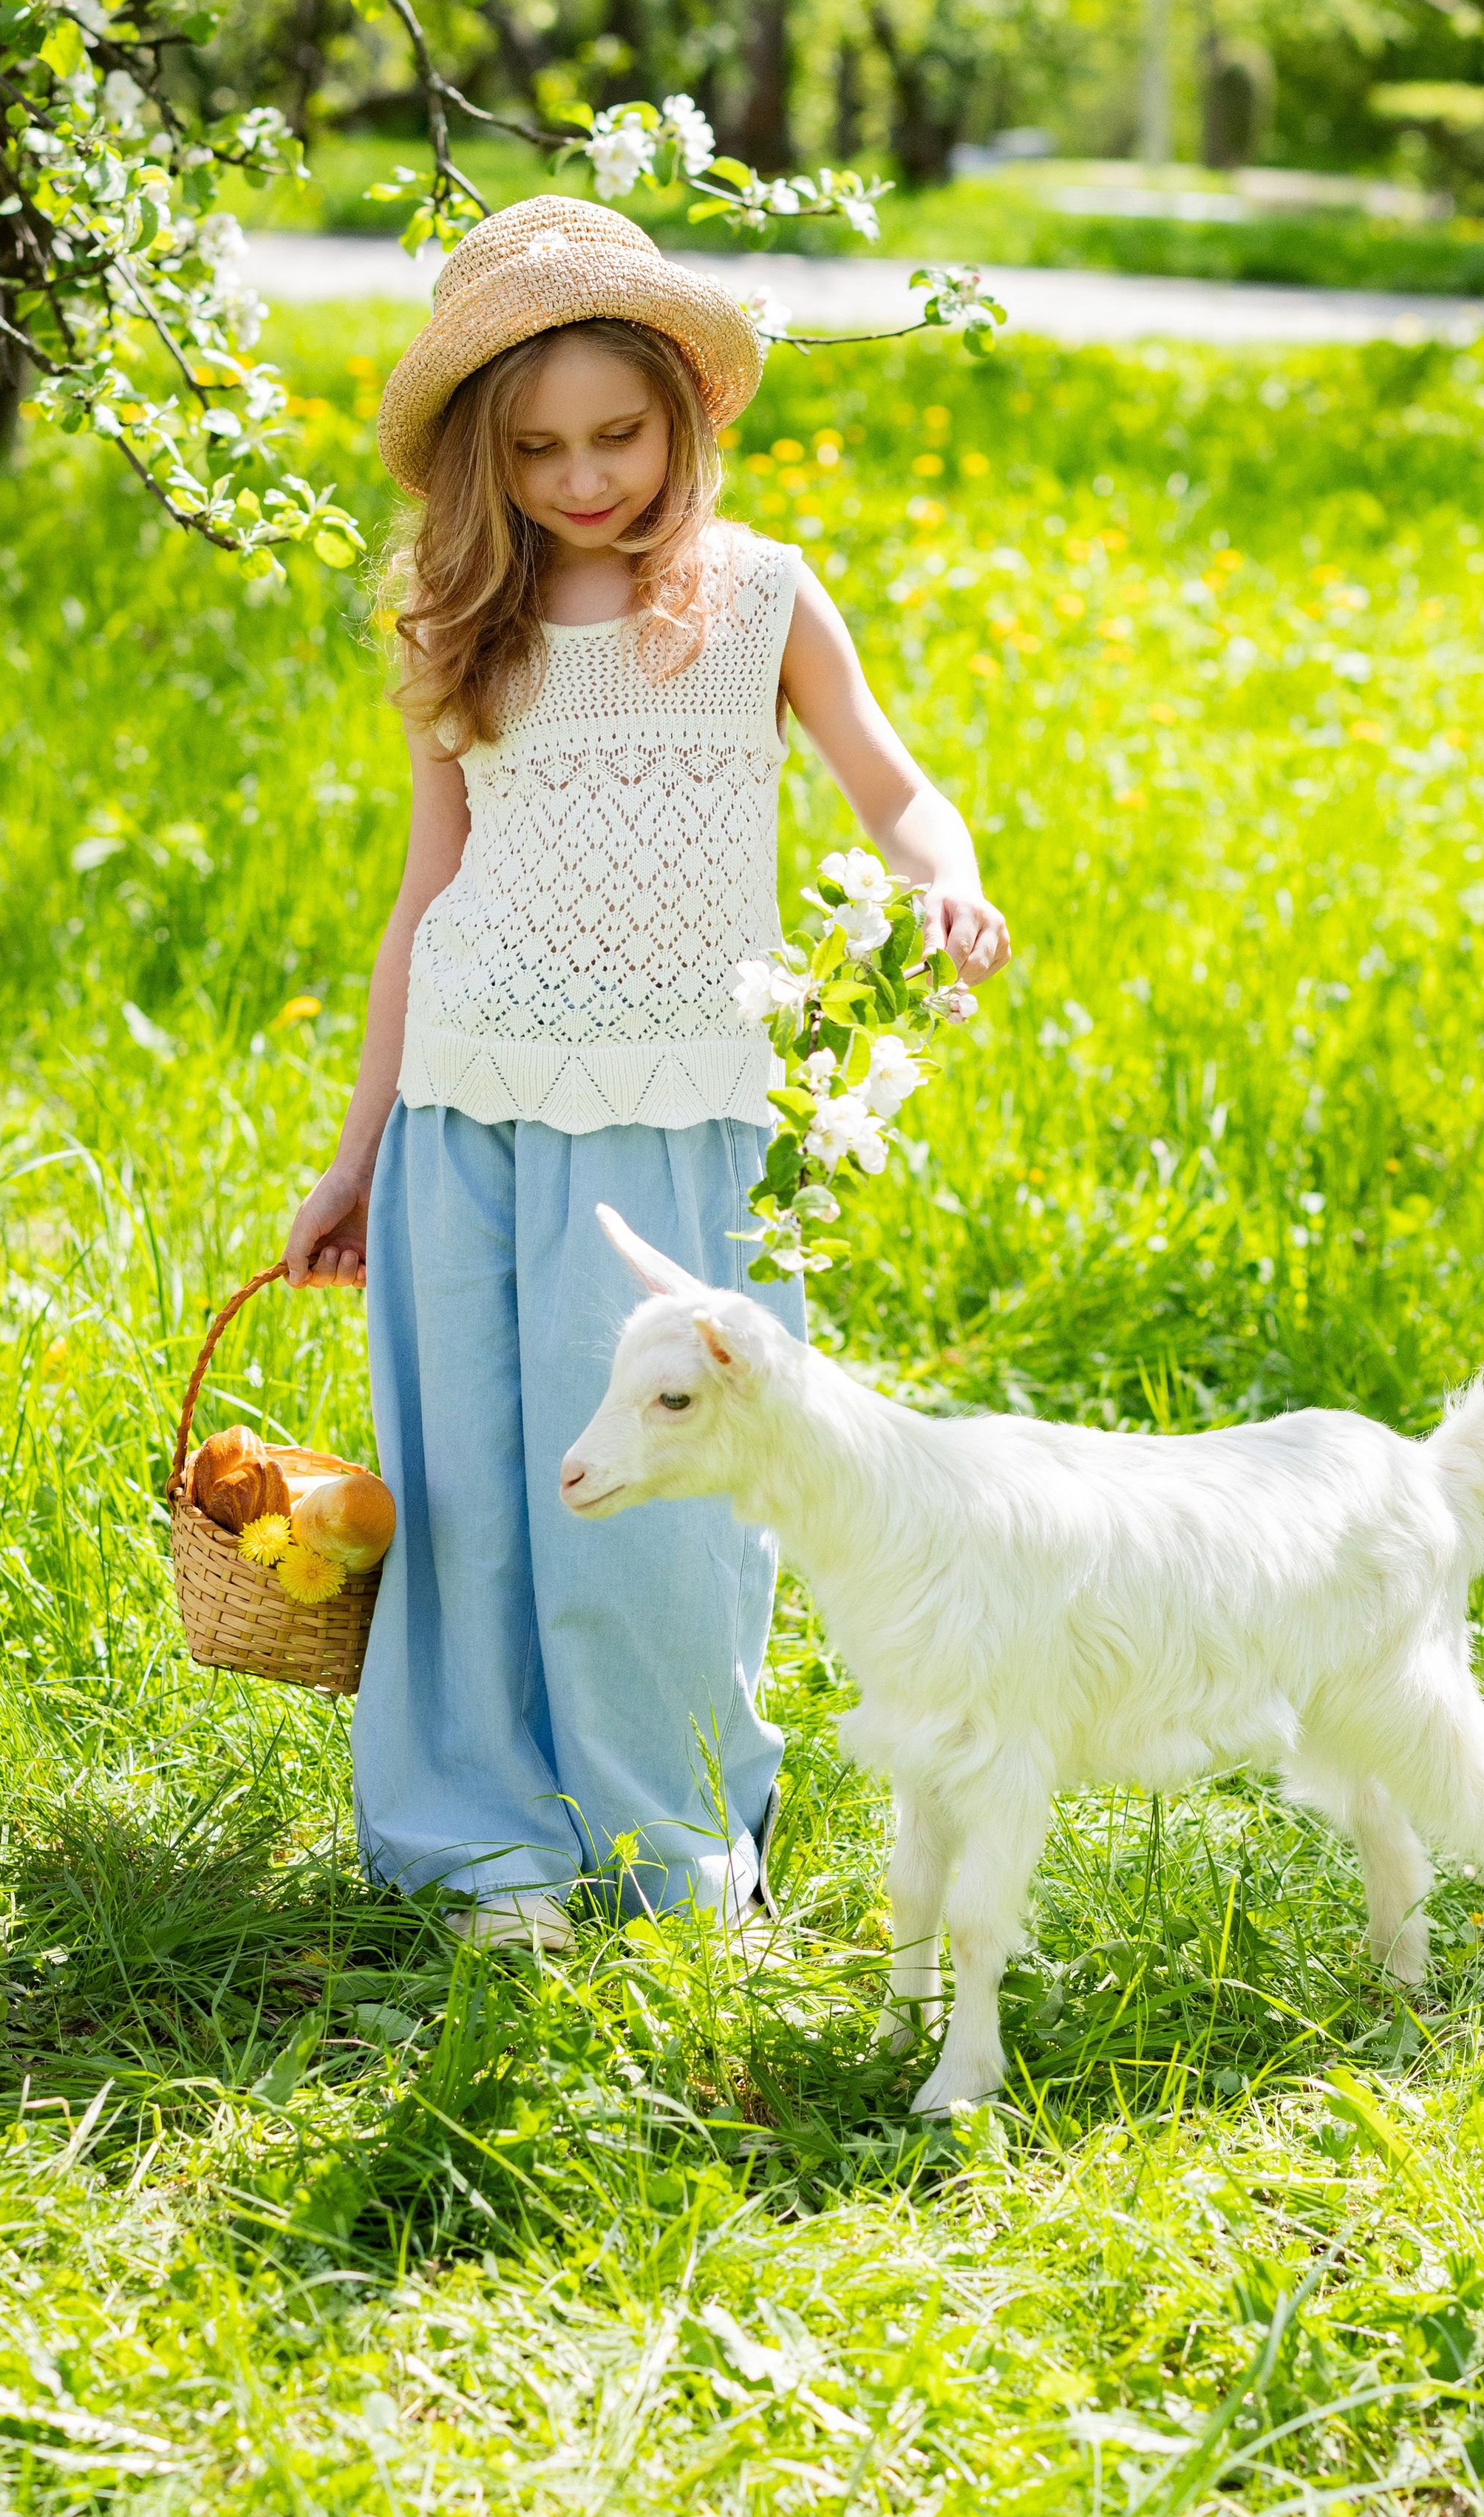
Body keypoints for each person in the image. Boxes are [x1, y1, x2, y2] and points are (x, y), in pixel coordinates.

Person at [282, 197, 1010, 1950]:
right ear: (480, 454)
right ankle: (485, 1840)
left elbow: (891, 785)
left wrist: (944, 875)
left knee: (668, 1498)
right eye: (534, 450)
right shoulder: (462, 620)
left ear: (680, 411)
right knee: (472, 1482)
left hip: (684, 1115)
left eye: (615, 436)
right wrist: (359, 1147)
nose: (582, 478)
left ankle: (670, 1836)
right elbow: (421, 896)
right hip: (469, 1106)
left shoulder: (755, 597)